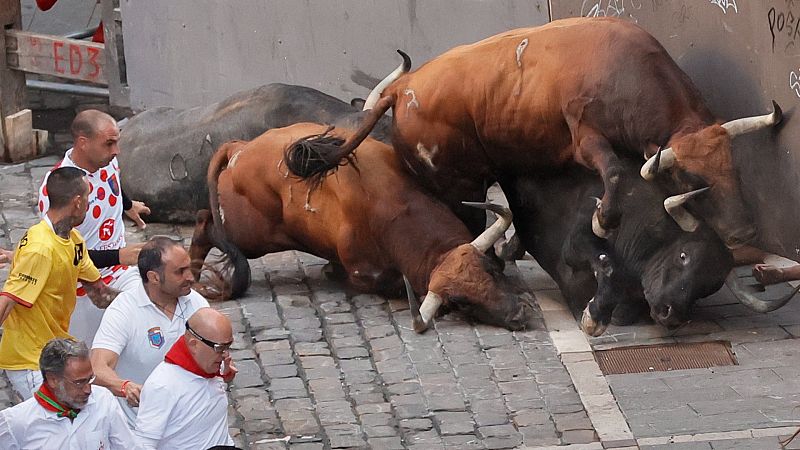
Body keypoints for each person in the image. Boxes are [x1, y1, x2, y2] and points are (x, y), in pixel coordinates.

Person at [0, 167, 119, 399]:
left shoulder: (74, 240)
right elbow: (6, 305)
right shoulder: (41, 249)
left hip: (54, 355)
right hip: (30, 363)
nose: (90, 204)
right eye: (88, 197)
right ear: (77, 202)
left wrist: (146, 298)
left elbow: (100, 295)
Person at [38, 109, 151, 346]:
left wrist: (127, 205)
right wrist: (119, 255)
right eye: (109, 144)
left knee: (146, 322)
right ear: (83, 143)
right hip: (82, 292)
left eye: (117, 143)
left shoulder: (107, 162)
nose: (116, 151)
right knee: (88, 359)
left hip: (120, 274)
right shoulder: (59, 191)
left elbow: (113, 182)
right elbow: (64, 256)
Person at [91, 236, 209, 425]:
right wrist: (125, 387)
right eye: (180, 272)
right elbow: (98, 367)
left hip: (191, 421)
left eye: (189, 268)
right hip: (140, 425)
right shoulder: (123, 310)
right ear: (154, 277)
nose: (190, 277)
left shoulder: (197, 303)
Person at [0, 338, 137, 449]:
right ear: (53, 379)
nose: (88, 390)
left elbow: (127, 446)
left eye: (90, 379)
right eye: (79, 382)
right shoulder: (16, 422)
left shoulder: (103, 400)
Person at [135, 307, 237, 449]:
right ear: (194, 345)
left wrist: (226, 377)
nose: (226, 355)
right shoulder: (162, 386)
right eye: (220, 348)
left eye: (228, 346)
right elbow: (144, 445)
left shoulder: (213, 365)